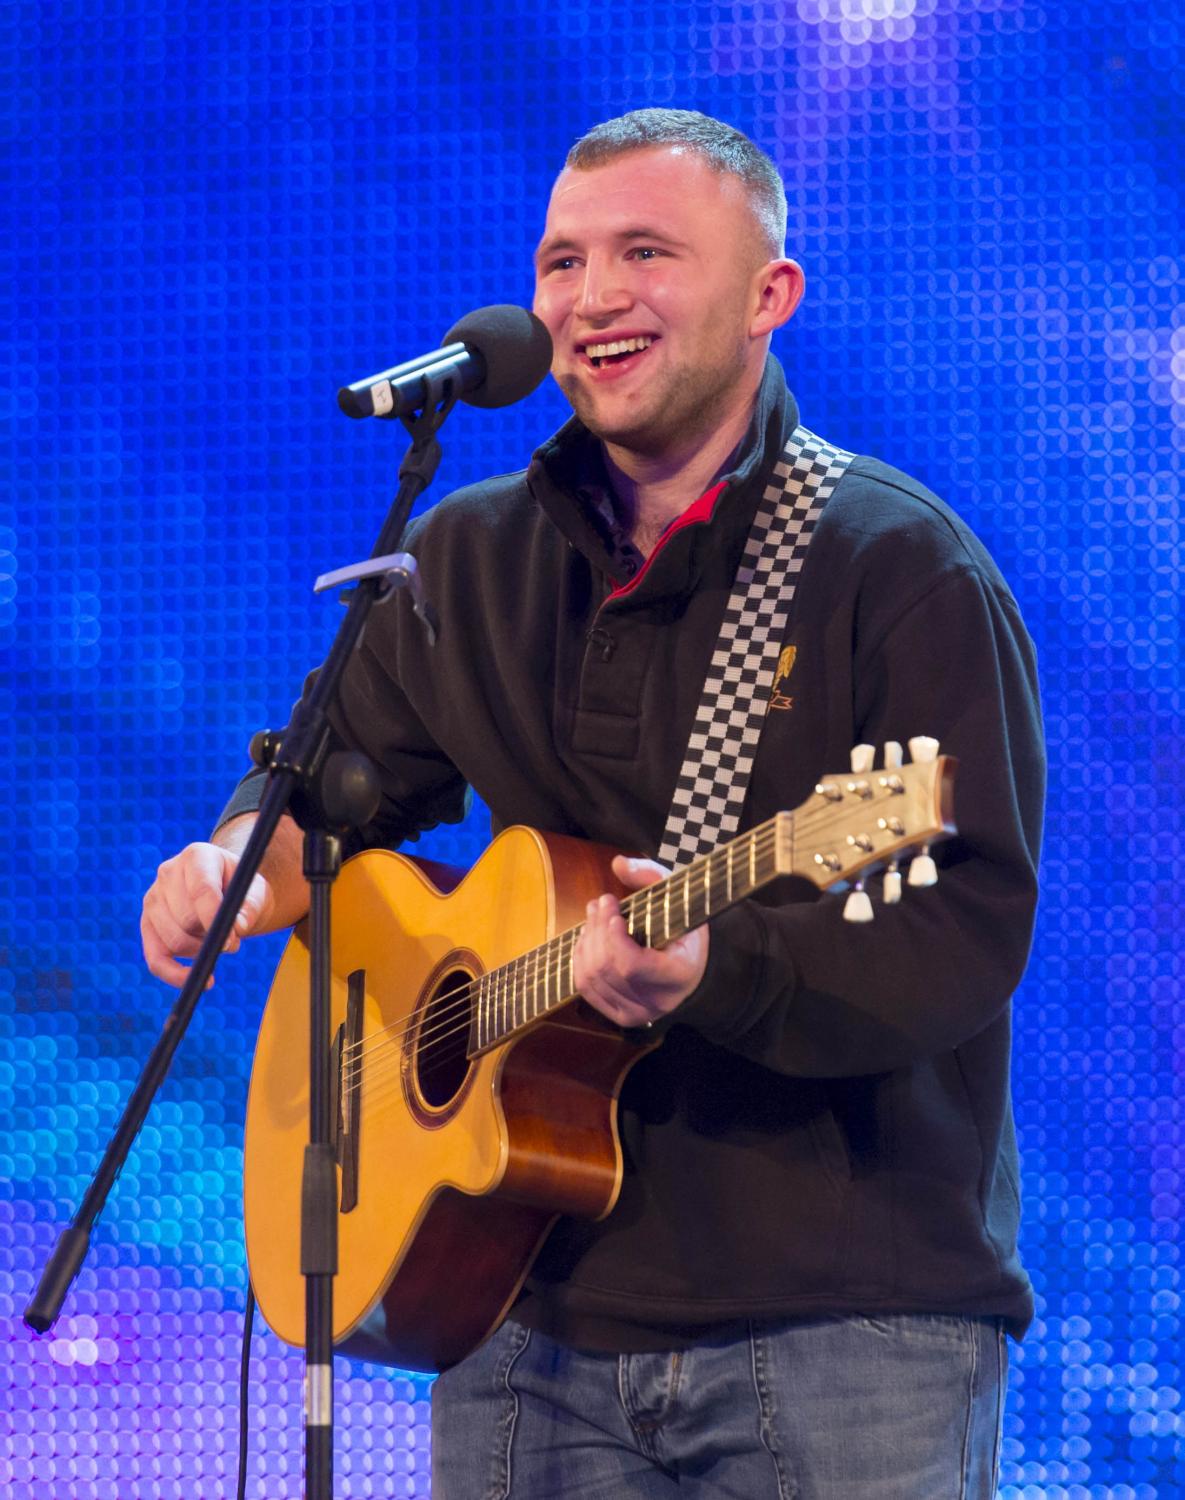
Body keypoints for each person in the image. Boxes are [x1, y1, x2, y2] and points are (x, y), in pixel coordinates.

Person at [141, 109, 1045, 1498]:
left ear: (769, 297)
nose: (591, 296)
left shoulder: (896, 567)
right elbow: (328, 793)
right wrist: (235, 869)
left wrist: (716, 966)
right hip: (514, 1306)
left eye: (645, 253)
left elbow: (964, 930)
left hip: (841, 1331)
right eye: (562, 261)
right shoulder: (466, 552)